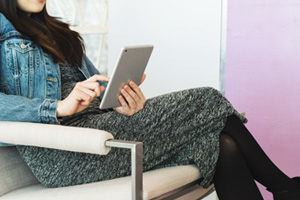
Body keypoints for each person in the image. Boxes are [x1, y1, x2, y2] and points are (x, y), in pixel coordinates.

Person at [0, 0, 299, 199]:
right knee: (206, 98)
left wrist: (118, 98)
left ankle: (284, 190)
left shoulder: (58, 32)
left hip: (101, 127)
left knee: (220, 144)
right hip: (64, 150)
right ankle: (285, 188)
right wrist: (58, 107)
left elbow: (96, 89)